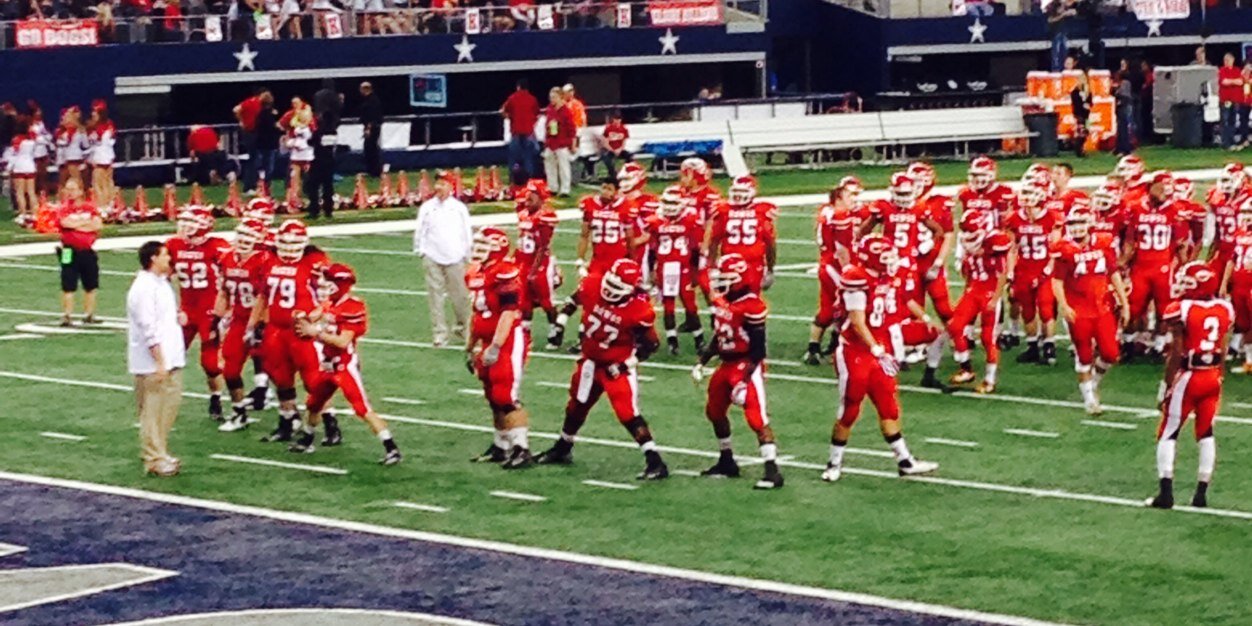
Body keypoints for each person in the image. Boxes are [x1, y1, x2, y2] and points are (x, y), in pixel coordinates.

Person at [533, 259, 670, 480]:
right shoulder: (593, 284)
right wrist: (560, 322)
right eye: (610, 283)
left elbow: (650, 346)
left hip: (615, 366)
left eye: (617, 287)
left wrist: (625, 365)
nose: (610, 290)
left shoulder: (640, 310)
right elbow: (573, 300)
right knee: (576, 405)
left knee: (628, 414)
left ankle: (655, 460)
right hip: (590, 360)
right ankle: (563, 446)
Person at [824, 235, 938, 483]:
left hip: (880, 350)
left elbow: (894, 315)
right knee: (850, 410)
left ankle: (904, 460)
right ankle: (834, 463)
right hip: (855, 351)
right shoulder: (857, 277)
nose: (891, 262)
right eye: (885, 258)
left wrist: (912, 332)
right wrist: (876, 349)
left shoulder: (890, 278)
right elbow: (857, 321)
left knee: (889, 406)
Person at [293, 262, 403, 465]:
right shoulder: (331, 304)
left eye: (329, 282)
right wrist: (302, 317)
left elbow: (343, 342)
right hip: (327, 365)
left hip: (344, 365)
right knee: (313, 404)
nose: (325, 286)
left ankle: (391, 447)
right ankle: (307, 438)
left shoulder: (353, 306)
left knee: (361, 408)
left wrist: (315, 332)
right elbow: (315, 314)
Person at [692, 253, 784, 489]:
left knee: (757, 418)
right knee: (714, 411)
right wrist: (702, 361)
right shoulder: (723, 301)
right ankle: (726, 460)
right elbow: (719, 335)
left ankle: (772, 471)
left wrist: (745, 379)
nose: (720, 281)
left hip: (746, 364)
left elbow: (758, 350)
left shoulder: (752, 305)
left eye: (726, 277)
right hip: (726, 364)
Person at [1148, 261, 1231, 510]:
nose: (1183, 285)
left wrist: (1165, 385)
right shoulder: (1224, 308)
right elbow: (1224, 347)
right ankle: (1201, 493)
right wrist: (1221, 375)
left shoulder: (1182, 309)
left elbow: (1176, 352)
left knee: (1168, 432)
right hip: (1213, 374)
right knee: (1206, 433)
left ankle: (1166, 493)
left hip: (1189, 375)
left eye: (1188, 282)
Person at [251, 219, 333, 443]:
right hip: (276, 329)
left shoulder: (315, 262)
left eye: (294, 242)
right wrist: (254, 325)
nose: (288, 247)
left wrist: (314, 321)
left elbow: (329, 299)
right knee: (281, 378)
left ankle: (330, 423)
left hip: (300, 330)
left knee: (313, 381)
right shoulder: (269, 260)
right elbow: (264, 296)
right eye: (285, 242)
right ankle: (286, 421)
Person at [464, 227, 532, 469]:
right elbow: (477, 313)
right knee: (492, 396)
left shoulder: (505, 272)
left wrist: (495, 346)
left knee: (506, 396)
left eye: (484, 245)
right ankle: (501, 446)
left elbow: (508, 313)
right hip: (486, 341)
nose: (478, 249)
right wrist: (470, 346)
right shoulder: (477, 273)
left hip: (507, 341)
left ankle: (521, 448)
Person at [1052, 206, 1130, 415]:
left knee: (1111, 353)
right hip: (1079, 311)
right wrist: (1064, 305)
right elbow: (1057, 281)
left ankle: (1092, 382)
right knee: (1084, 355)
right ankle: (1089, 399)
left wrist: (1124, 301)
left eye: (1080, 223)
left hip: (1102, 307)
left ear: (1090, 224)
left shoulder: (1104, 243)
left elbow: (1113, 273)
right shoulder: (1064, 249)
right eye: (1072, 225)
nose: (1077, 229)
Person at [166, 206, 232, 421]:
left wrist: (225, 310)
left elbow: (231, 276)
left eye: (189, 223)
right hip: (186, 310)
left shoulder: (217, 247)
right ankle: (163, 396)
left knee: (210, 363)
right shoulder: (174, 245)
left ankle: (216, 397)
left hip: (209, 311)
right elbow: (164, 275)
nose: (183, 227)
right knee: (170, 355)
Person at [127, 240, 186, 477]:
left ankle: (160, 451)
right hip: (154, 361)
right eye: (165, 255)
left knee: (167, 409)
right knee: (151, 411)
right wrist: (159, 360)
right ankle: (153, 457)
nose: (169, 259)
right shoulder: (143, 288)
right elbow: (147, 326)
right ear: (153, 258)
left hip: (171, 356)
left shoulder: (161, 283)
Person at [215, 217, 273, 432]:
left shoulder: (265, 261)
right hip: (240, 319)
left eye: (249, 236)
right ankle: (239, 413)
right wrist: (217, 316)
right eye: (241, 234)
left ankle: (293, 415)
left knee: (282, 370)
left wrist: (258, 324)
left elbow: (265, 297)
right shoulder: (227, 258)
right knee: (230, 369)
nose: (243, 239)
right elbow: (224, 291)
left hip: (265, 320)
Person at [946, 210, 1012, 394]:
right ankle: (966, 369)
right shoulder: (969, 242)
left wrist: (996, 298)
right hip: (974, 290)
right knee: (955, 326)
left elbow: (1002, 275)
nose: (968, 238)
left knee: (987, 337)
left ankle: (990, 379)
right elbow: (968, 270)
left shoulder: (995, 243)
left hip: (989, 292)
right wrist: (968, 288)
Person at [1005, 178, 1063, 366]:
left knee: (1046, 308)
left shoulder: (1052, 217)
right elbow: (1012, 248)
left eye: (1030, 194)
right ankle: (1032, 346)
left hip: (1044, 268)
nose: (1026, 197)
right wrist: (1011, 272)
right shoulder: (1014, 218)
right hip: (1024, 270)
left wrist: (1048, 269)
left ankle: (1049, 345)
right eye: (1025, 193)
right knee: (1027, 310)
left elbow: (1056, 247)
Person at [805, 177, 863, 365]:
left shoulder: (827, 211)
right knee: (847, 307)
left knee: (827, 309)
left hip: (828, 264)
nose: (855, 199)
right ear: (839, 195)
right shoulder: (838, 215)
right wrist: (848, 269)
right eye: (851, 194)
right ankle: (840, 346)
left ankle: (814, 348)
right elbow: (841, 248)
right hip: (835, 266)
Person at [413, 171, 473, 347]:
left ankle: (463, 327)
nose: (439, 187)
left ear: (451, 187)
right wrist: (421, 250)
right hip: (432, 255)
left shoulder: (459, 208)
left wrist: (467, 254)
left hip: (455, 256)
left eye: (444, 184)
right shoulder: (427, 207)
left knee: (460, 296)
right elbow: (420, 229)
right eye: (438, 184)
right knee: (435, 296)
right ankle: (440, 333)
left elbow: (466, 231)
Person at [642, 189, 704, 355]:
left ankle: (700, 340)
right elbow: (652, 250)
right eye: (667, 203)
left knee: (690, 305)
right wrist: (651, 271)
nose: (669, 207)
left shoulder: (690, 220)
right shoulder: (655, 221)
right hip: (665, 268)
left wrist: (695, 272)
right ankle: (672, 341)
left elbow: (695, 249)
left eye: (673, 203)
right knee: (668, 307)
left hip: (683, 268)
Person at [57, 177, 102, 326]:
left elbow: (97, 225)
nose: (70, 192)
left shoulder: (90, 207)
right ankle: (67, 315)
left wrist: (77, 225)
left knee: (91, 284)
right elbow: (65, 223)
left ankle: (89, 314)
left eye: (73, 189)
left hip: (87, 249)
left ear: (81, 191)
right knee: (67, 283)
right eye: (67, 189)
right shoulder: (63, 208)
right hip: (68, 250)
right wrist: (85, 224)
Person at [500, 78, 541, 186]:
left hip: (516, 132)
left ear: (518, 87)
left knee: (514, 159)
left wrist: (510, 118)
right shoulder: (532, 99)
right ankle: (529, 182)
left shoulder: (513, 98)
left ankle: (513, 181)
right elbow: (537, 114)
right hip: (528, 133)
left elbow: (503, 111)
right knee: (528, 158)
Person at [541, 87, 575, 197]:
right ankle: (552, 187)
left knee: (564, 167)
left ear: (561, 97)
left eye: (554, 97)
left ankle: (565, 189)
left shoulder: (566, 111)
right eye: (551, 97)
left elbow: (572, 130)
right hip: (551, 142)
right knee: (550, 166)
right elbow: (547, 126)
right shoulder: (549, 110)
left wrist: (572, 144)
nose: (552, 100)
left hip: (562, 143)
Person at [234, 87, 269, 193]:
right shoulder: (255, 102)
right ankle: (249, 186)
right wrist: (242, 121)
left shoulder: (249, 102)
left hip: (250, 132)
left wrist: (241, 121)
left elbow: (236, 109)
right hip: (251, 132)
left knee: (254, 159)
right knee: (254, 160)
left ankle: (254, 184)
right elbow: (236, 109)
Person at [86, 100, 116, 210]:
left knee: (98, 183)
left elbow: (96, 142)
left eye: (95, 112)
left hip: (100, 158)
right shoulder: (109, 125)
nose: (93, 114)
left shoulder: (98, 128)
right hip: (108, 156)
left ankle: (103, 206)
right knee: (107, 182)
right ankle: (109, 205)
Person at [1218, 53, 1244, 150]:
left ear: (1233, 60)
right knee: (1225, 121)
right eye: (1225, 60)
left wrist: (1231, 81)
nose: (1227, 62)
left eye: (1228, 60)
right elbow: (1224, 81)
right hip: (1225, 100)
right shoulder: (1222, 70)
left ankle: (1232, 141)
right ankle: (1226, 143)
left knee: (1233, 122)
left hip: (1235, 100)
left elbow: (1241, 81)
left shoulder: (1237, 70)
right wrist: (1234, 81)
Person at [358, 81, 384, 177]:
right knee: (369, 148)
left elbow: (372, 116)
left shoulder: (373, 100)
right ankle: (371, 170)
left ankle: (375, 171)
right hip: (370, 127)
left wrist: (368, 128)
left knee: (371, 148)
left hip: (373, 127)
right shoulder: (368, 100)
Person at [598, 109, 630, 180]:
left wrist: (620, 149)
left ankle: (626, 172)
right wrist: (613, 150)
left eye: (619, 119)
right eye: (616, 119)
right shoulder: (608, 129)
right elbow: (605, 143)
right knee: (607, 159)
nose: (617, 121)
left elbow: (624, 143)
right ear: (613, 119)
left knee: (629, 156)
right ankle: (613, 174)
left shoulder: (624, 129)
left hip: (619, 149)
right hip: (610, 149)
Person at [1046, 0, 1074, 72]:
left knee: (1064, 53)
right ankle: (1056, 72)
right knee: (1056, 55)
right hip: (1056, 33)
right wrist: (1062, 15)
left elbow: (1074, 10)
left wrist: (1070, 12)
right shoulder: (1052, 5)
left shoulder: (1065, 5)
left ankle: (1064, 71)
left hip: (1064, 33)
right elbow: (1050, 20)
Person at [1070, 69, 1092, 157]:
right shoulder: (1075, 92)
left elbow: (1090, 100)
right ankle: (1078, 150)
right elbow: (1075, 102)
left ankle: (1082, 148)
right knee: (1080, 132)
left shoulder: (1087, 91)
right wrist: (1083, 105)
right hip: (1079, 114)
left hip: (1086, 114)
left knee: (1086, 131)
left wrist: (1088, 104)